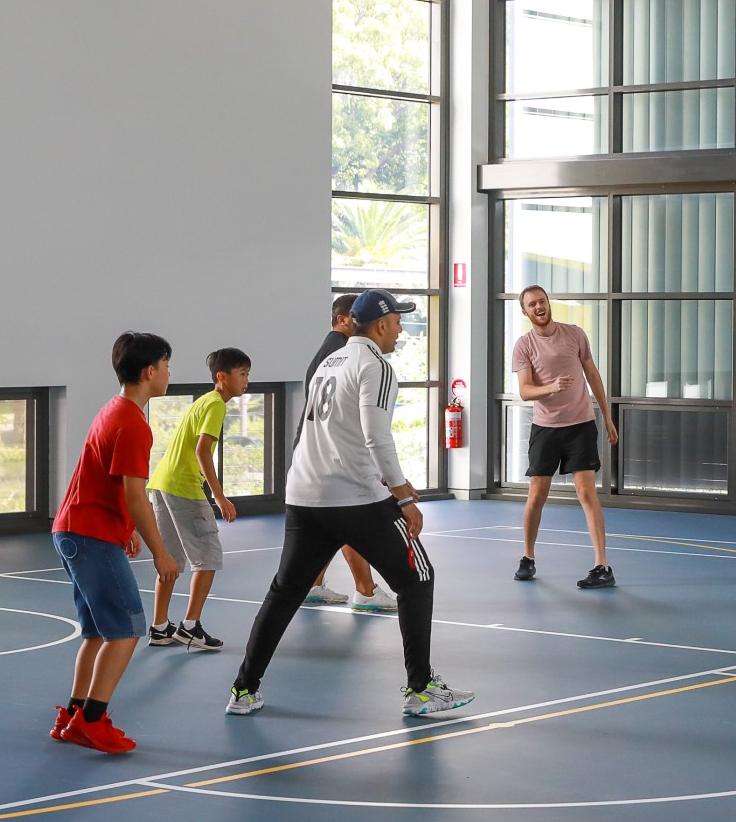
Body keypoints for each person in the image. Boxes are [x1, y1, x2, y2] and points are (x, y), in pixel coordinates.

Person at [227, 289, 473, 718]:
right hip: (356, 496)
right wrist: (403, 494)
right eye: (398, 320)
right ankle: (420, 688)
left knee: (284, 593)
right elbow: (376, 434)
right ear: (380, 324)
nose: (400, 328)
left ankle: (244, 690)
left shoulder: (330, 360)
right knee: (418, 577)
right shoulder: (375, 364)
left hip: (305, 495)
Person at [49, 332, 182, 752]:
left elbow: (107, 483)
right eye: (166, 365)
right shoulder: (133, 425)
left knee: (96, 632)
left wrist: (124, 532)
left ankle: (72, 714)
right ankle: (92, 720)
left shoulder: (114, 410)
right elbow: (133, 494)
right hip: (89, 534)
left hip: (74, 530)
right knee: (125, 631)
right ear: (149, 371)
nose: (167, 373)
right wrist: (161, 551)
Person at [510, 285, 619, 588]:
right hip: (545, 428)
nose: (539, 307)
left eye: (542, 301)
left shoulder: (574, 334)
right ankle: (528, 558)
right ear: (525, 312)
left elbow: (592, 375)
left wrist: (607, 417)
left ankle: (602, 566)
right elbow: (525, 390)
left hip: (580, 424)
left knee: (587, 493)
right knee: (536, 496)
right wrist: (552, 388)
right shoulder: (524, 346)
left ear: (548, 304)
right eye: (532, 304)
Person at [145, 347, 252, 651]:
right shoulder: (216, 404)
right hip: (183, 487)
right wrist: (219, 496)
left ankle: (160, 627)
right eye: (242, 374)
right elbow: (202, 450)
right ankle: (190, 627)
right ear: (223, 377)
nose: (246, 381)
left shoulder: (204, 401)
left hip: (162, 484)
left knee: (172, 560)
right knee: (208, 558)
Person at [300, 293, 396, 613]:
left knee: (328, 526)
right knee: (349, 525)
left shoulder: (328, 354)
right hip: (334, 457)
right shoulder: (346, 352)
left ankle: (312, 583)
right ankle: (366, 591)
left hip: (315, 455)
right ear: (344, 320)